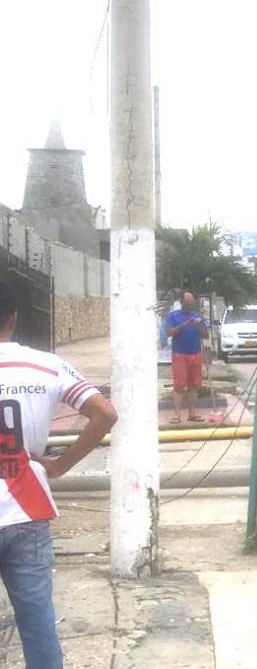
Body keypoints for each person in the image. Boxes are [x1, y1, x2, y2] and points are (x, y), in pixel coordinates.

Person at [0, 279, 118, 668]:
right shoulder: (48, 365)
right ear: (14, 318)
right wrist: (61, 465)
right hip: (27, 505)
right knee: (36, 622)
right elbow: (105, 413)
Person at [163, 291, 208, 424]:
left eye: (192, 304)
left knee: (194, 385)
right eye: (187, 304)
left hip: (195, 354)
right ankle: (177, 415)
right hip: (180, 355)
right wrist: (186, 323)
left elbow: (205, 335)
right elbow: (169, 332)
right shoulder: (174, 316)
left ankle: (192, 414)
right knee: (179, 386)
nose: (190, 306)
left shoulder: (197, 317)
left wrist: (198, 326)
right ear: (181, 302)